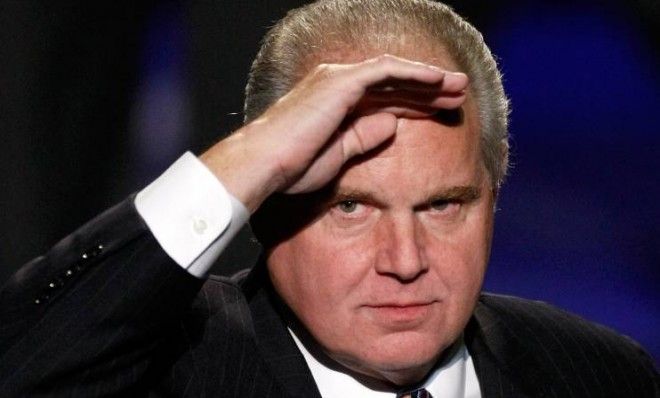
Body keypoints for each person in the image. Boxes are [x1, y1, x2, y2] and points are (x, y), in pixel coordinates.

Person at [0, 0, 657, 397]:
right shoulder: (164, 370)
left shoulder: (597, 373)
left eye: (442, 205)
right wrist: (248, 157)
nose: (405, 260)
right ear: (269, 200)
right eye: (352, 208)